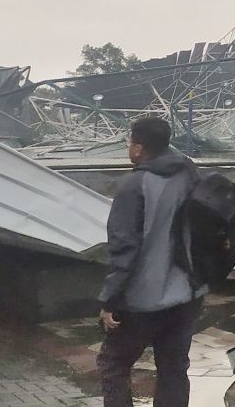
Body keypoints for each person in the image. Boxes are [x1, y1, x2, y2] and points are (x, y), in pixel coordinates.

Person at [97, 117, 206, 407]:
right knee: (173, 368)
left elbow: (124, 250)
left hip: (144, 300)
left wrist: (110, 301)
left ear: (138, 147)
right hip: (188, 293)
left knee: (113, 364)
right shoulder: (190, 172)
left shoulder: (135, 186)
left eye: (130, 142)